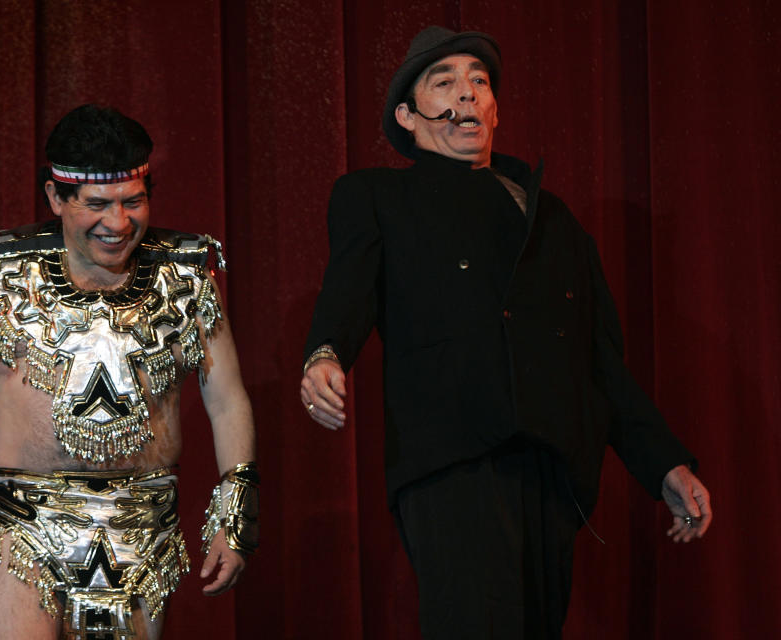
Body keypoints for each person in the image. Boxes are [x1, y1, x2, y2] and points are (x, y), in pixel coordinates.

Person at [300, 26, 711, 639]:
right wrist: (327, 352)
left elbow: (600, 363)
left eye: (480, 81)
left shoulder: (554, 219)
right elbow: (349, 288)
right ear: (408, 118)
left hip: (549, 463)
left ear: (495, 109)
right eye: (445, 82)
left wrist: (664, 466)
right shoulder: (378, 196)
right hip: (453, 459)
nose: (466, 93)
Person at [0, 104, 258, 640]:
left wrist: (234, 515)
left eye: (134, 201)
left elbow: (227, 400)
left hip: (142, 520)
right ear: (57, 198)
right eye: (98, 205)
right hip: (22, 520)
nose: (119, 222)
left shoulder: (186, 274)